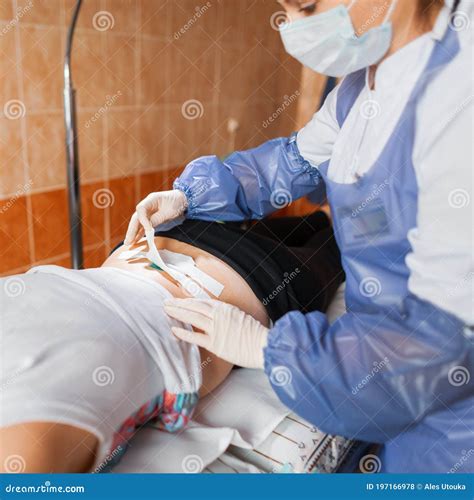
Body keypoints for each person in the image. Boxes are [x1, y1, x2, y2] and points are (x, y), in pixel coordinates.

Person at [126, 0, 474, 473]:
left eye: (307, 6)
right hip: (382, 362)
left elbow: (440, 344)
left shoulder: (458, 97)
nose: (292, 26)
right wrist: (189, 196)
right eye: (285, 8)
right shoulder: (362, 88)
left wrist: (272, 351)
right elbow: (292, 164)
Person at [0, 216, 342, 473]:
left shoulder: (26, 450)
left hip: (237, 273)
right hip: (155, 246)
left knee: (339, 235)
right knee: (333, 227)